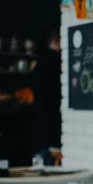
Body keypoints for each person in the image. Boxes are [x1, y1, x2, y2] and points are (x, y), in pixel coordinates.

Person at [32, 28, 62, 167]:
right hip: (53, 122)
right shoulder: (55, 62)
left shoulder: (41, 63)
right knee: (50, 165)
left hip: (42, 122)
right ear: (56, 41)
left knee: (44, 164)